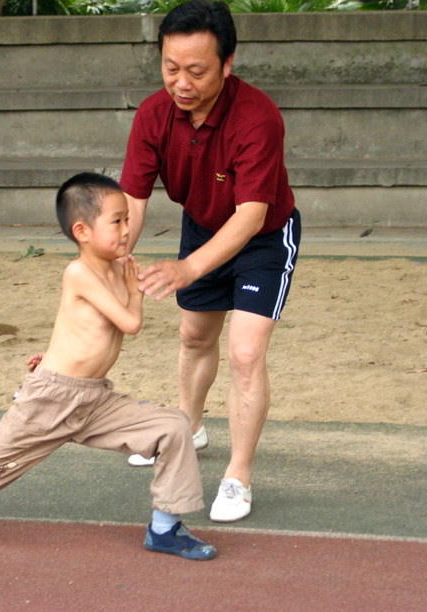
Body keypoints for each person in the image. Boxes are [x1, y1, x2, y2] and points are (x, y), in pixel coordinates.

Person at [0, 172, 216, 561]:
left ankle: (164, 529)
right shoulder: (79, 272)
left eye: (128, 218)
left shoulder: (117, 268)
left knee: (172, 426)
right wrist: (137, 291)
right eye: (116, 220)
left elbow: (78, 329)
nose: (127, 228)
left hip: (94, 399)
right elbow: (130, 325)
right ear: (82, 231)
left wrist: (51, 352)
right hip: (50, 398)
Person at [121, 0, 301, 523]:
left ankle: (237, 476)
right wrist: (115, 252)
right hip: (202, 226)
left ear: (227, 64)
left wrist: (187, 268)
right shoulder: (154, 114)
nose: (181, 82)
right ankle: (188, 427)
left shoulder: (258, 117)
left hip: (263, 238)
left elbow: (249, 217)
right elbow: (133, 198)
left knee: (245, 353)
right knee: (195, 337)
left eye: (196, 71)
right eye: (170, 68)